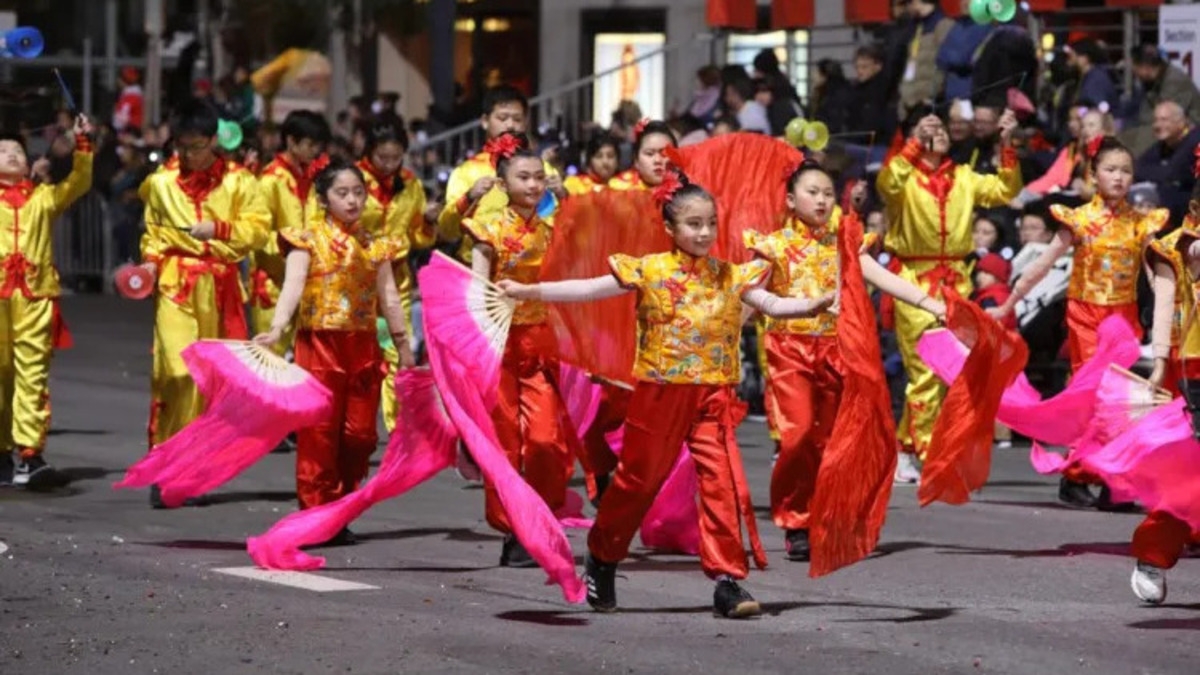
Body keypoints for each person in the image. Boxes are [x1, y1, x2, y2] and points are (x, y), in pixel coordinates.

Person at [498, 170, 835, 618]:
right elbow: (588, 289)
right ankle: (602, 555)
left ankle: (728, 580)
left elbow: (771, 304)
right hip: (659, 397)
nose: (704, 233)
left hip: (712, 395)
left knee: (721, 485)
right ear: (671, 228)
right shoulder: (651, 270)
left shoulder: (730, 276)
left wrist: (809, 305)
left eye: (711, 223)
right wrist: (528, 290)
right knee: (637, 484)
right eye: (693, 224)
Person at [747, 160, 945, 561]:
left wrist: (929, 302)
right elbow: (748, 294)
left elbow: (880, 275)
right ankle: (795, 518)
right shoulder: (772, 246)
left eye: (826, 194)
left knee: (831, 441)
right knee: (797, 434)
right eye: (811, 192)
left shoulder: (844, 242)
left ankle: (822, 516)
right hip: (789, 352)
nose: (820, 200)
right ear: (789, 200)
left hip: (838, 352)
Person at [991, 137, 1169, 507]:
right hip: (1086, 316)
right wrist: (1009, 302)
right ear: (1093, 175)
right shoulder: (1080, 220)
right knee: (1094, 396)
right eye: (1110, 170)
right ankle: (1078, 477)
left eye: (1125, 171)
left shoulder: (1141, 224)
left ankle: (1110, 481)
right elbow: (1040, 266)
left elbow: (1156, 275)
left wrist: (1171, 312)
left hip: (1124, 317)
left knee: (1120, 400)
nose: (1119, 178)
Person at [254, 159, 412, 534]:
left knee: (360, 435)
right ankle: (316, 514)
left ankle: (340, 505)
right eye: (342, 193)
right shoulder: (306, 240)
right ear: (323, 199)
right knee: (319, 433)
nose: (353, 200)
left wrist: (404, 345)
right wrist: (277, 329)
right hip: (318, 344)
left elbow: (388, 297)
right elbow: (291, 287)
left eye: (359, 192)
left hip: (362, 346)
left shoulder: (375, 245)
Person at [875, 104, 1022, 482]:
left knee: (949, 372)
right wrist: (911, 148)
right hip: (914, 281)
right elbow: (887, 183)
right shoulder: (902, 178)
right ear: (910, 136)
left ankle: (907, 447)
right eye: (927, 127)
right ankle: (931, 456)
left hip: (957, 282)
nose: (936, 131)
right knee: (924, 369)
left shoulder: (964, 177)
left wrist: (1006, 144)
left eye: (939, 126)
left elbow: (1005, 189)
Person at [139, 100, 269, 507]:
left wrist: (220, 228)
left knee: (210, 383)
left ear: (214, 141)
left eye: (196, 146)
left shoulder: (240, 182)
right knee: (177, 372)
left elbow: (258, 230)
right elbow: (153, 235)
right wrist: (148, 265)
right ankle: (166, 464)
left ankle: (192, 470)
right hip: (176, 285)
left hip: (221, 286)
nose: (188, 155)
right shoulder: (161, 183)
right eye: (182, 146)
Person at [461, 134, 572, 567]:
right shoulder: (486, 230)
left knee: (546, 440)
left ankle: (540, 520)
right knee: (504, 443)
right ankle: (512, 531)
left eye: (539, 178)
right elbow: (477, 288)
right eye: (523, 177)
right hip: (499, 344)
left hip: (541, 342)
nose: (533, 185)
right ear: (503, 185)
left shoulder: (553, 230)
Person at [0, 115, 94, 489]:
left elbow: (79, 182)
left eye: (17, 150)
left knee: (32, 376)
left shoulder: (43, 197)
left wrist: (83, 145)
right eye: (3, 150)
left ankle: (28, 454)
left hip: (36, 299)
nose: (10, 154)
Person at [357, 118, 439, 432]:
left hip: (396, 277)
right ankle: (357, 424)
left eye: (396, 157)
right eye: (382, 158)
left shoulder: (411, 184)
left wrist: (429, 221)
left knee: (398, 346)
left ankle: (397, 425)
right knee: (361, 350)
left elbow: (419, 237)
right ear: (369, 151)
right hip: (357, 279)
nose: (389, 164)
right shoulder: (353, 180)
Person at [436, 85, 565, 264]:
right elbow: (447, 231)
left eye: (517, 118)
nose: (510, 125)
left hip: (529, 272)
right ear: (485, 121)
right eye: (502, 118)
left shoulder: (543, 171)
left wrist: (564, 196)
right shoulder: (466, 172)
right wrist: (469, 196)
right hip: (478, 270)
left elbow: (562, 226)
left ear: (526, 122)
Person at [254, 110, 332, 356]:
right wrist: (290, 248)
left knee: (307, 358)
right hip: (274, 282)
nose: (315, 151)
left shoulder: (314, 180)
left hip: (310, 283)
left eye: (318, 145)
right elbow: (257, 233)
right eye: (310, 144)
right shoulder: (270, 181)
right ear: (291, 140)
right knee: (269, 355)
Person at [1133, 101, 1200, 227]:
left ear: (1181, 121)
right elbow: (1137, 168)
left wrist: (1159, 174)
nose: (1158, 125)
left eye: (1164, 120)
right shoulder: (1166, 144)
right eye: (1155, 120)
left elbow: (1171, 173)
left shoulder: (1195, 140)